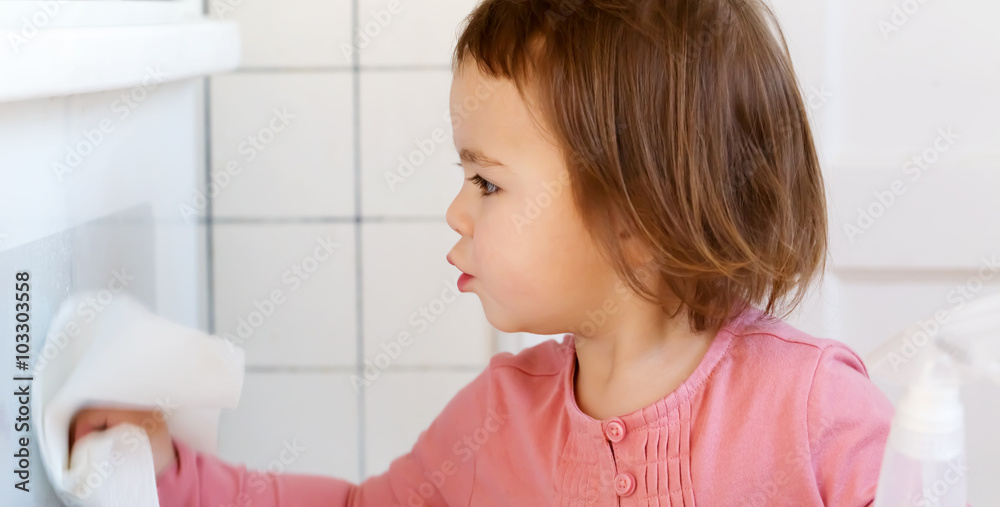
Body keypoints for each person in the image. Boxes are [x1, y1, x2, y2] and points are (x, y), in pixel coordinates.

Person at [70, 0, 894, 504]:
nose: (456, 210)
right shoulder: (497, 419)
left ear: (639, 212)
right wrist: (172, 474)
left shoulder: (814, 410)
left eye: (488, 182)